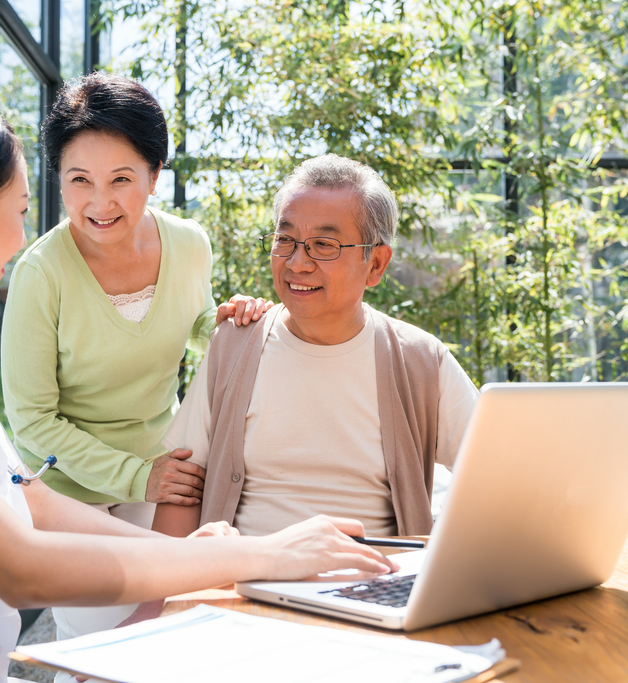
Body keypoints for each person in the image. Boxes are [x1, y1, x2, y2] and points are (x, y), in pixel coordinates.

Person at [0, 81, 394, 683]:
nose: (24, 240)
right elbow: (15, 565)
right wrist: (256, 555)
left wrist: (181, 554)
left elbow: (29, 500)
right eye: (20, 211)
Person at [0, 74, 269, 641]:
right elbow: (32, 422)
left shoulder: (189, 243)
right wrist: (136, 476)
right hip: (71, 498)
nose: (99, 202)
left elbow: (190, 325)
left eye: (121, 178)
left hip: (163, 480)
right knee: (101, 645)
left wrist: (225, 322)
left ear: (154, 175)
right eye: (79, 180)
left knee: (176, 630)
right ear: (58, 181)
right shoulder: (39, 274)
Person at [154, 154, 480, 539]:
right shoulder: (234, 343)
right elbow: (182, 487)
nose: (297, 262)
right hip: (243, 581)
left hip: (372, 587)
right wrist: (162, 598)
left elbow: (502, 476)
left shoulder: (422, 361)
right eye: (285, 239)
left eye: (323, 245)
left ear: (375, 264)